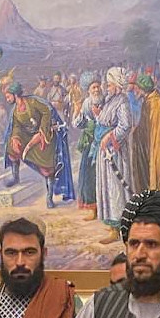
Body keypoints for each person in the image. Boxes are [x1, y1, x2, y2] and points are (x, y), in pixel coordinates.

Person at [1, 81, 75, 209]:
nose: (7, 99)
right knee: (11, 146)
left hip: (45, 135)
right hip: (29, 136)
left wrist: (42, 131)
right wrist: (15, 137)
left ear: (15, 94)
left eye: (8, 96)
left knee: (47, 166)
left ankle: (49, 197)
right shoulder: (15, 110)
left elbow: (47, 112)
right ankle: (15, 177)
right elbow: (17, 126)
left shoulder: (32, 102)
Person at [94, 68, 135, 242]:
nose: (107, 86)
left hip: (115, 153)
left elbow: (125, 126)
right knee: (108, 187)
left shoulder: (123, 101)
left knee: (115, 187)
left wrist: (109, 137)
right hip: (105, 151)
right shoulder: (110, 99)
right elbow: (105, 120)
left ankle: (117, 226)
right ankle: (111, 225)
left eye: (110, 84)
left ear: (117, 85)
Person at [72, 71, 103, 219]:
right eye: (93, 88)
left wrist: (98, 116)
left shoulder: (105, 101)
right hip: (89, 144)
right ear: (88, 90)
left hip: (103, 141)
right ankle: (93, 209)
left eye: (98, 87)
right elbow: (78, 123)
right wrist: (76, 111)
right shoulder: (86, 103)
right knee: (89, 176)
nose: (96, 90)